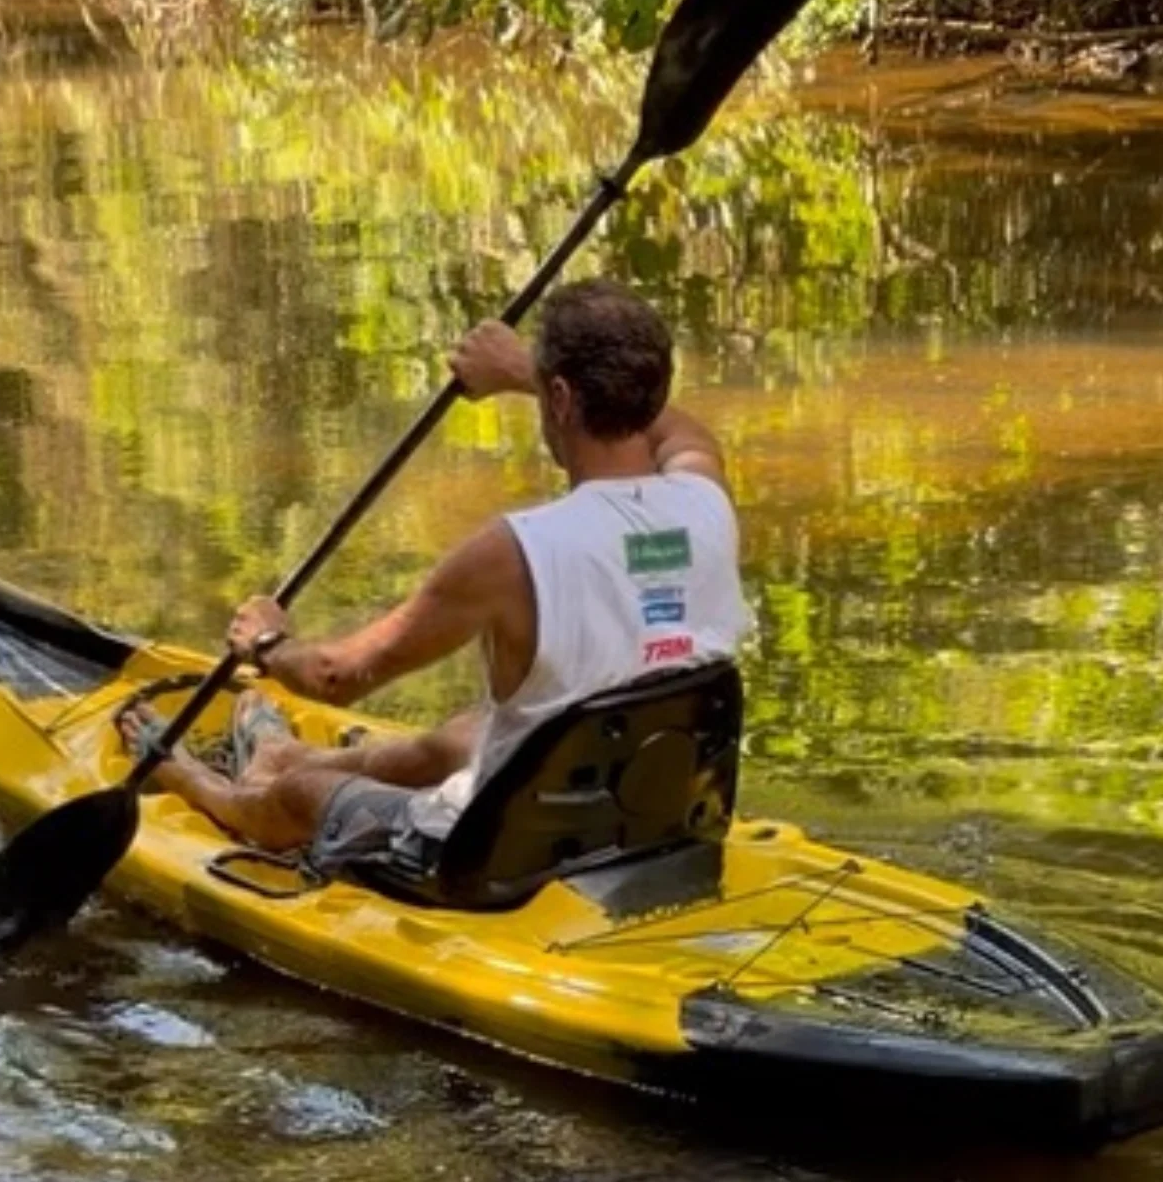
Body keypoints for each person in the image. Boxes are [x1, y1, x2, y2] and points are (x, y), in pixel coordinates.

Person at [125, 281, 747, 880]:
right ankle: (288, 752)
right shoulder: (704, 497)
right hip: (662, 818)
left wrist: (265, 642)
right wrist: (530, 374)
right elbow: (676, 428)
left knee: (300, 794)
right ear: (654, 385)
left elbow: (336, 677)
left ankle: (205, 784)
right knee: (466, 733)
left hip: (505, 857)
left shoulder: (511, 552)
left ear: (558, 398)